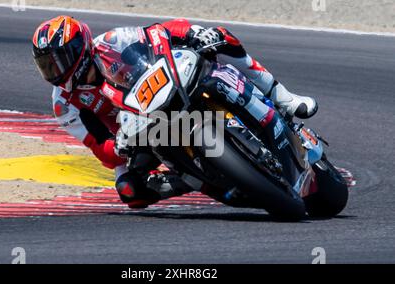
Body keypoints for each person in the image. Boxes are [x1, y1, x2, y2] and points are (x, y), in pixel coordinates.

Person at [31, 15, 318, 208]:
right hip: (134, 136)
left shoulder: (110, 43)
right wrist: (120, 146)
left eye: (58, 60)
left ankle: (282, 96)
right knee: (130, 193)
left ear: (80, 48)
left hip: (165, 87)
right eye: (46, 65)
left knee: (220, 38)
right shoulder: (64, 102)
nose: (53, 70)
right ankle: (198, 178)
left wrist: (194, 33)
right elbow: (100, 149)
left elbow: (160, 33)